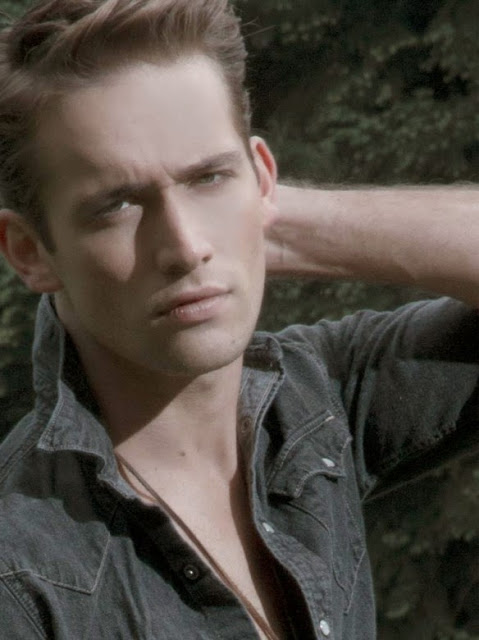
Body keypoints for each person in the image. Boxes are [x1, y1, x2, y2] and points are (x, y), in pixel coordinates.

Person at [0, 1, 477, 638]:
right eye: (116, 205)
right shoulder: (19, 572)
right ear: (29, 252)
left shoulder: (315, 399)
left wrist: (268, 221)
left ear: (263, 178)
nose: (185, 245)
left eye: (209, 177)